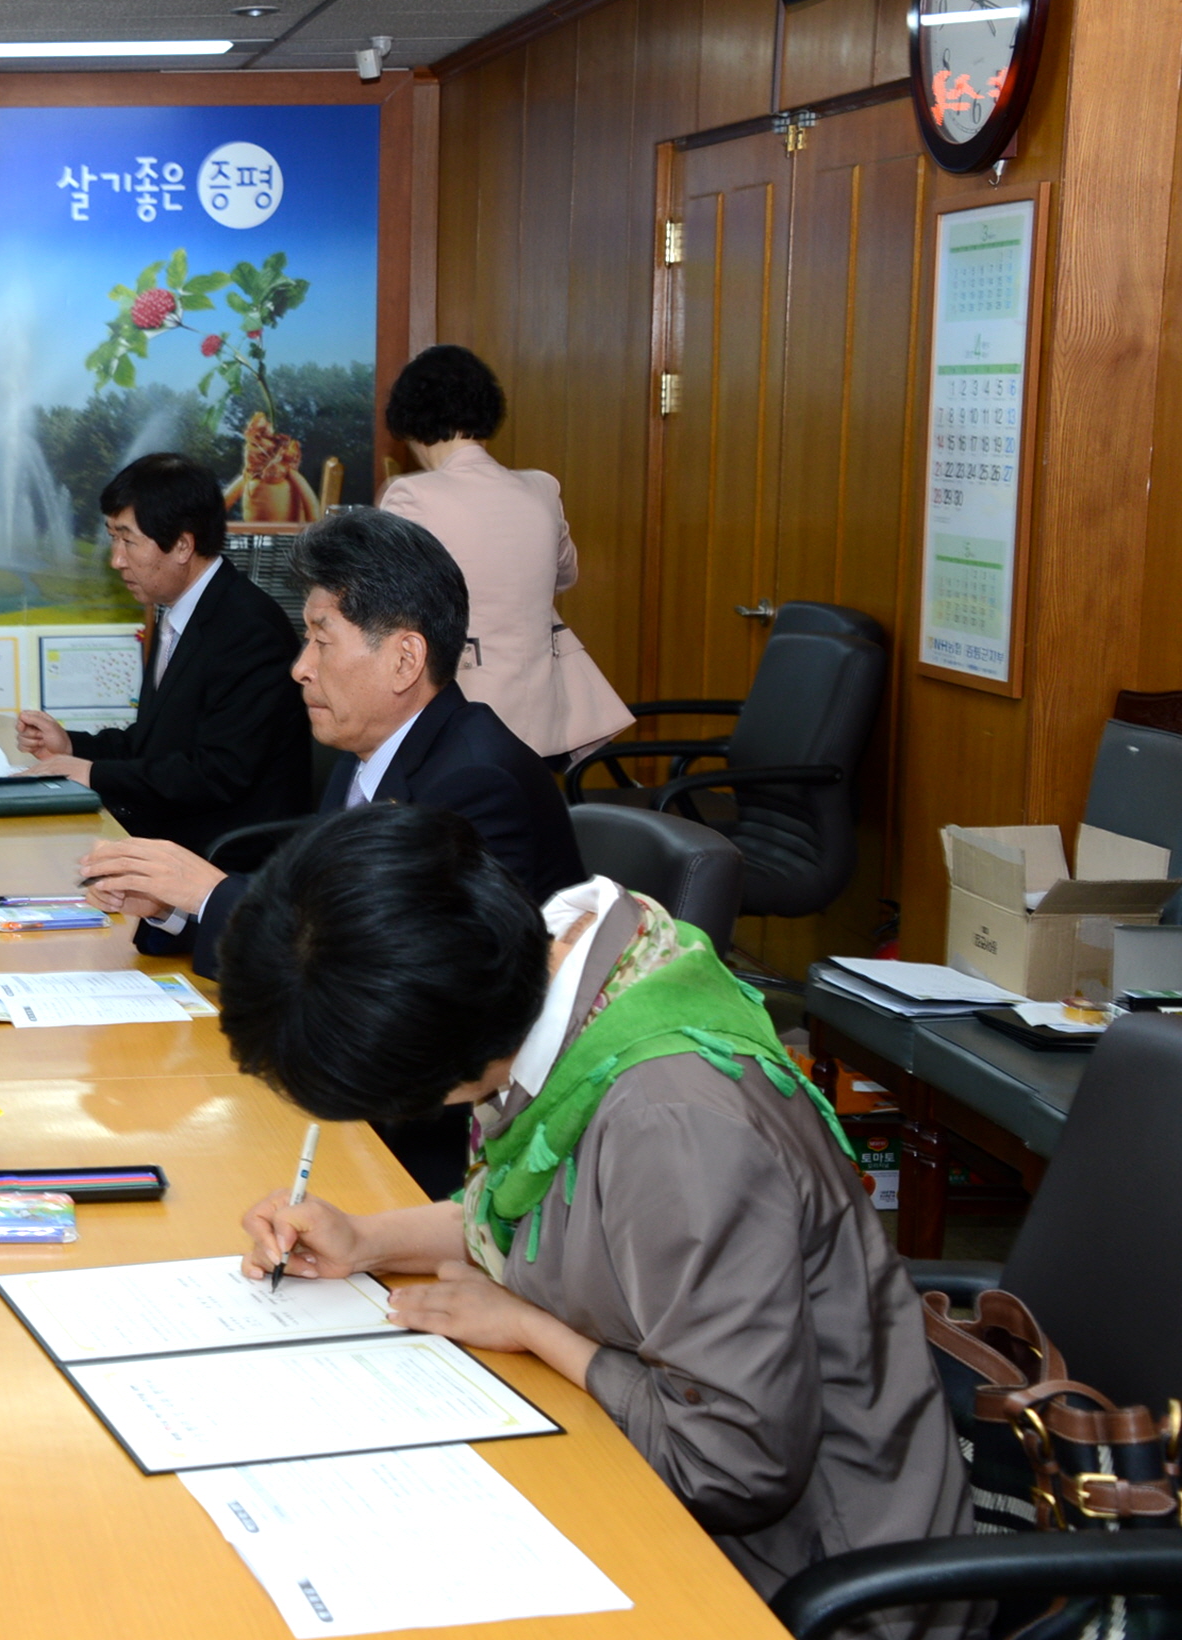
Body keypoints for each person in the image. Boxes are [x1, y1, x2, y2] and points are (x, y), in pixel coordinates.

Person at [224, 803, 975, 1636]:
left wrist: (527, 1327)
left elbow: (731, 1464)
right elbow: (558, 1212)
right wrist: (368, 1240)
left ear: (441, 1076)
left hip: (808, 1570)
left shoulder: (672, 1127)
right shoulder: (570, 972)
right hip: (678, 1477)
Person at [79, 506, 582, 981]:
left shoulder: (476, 782)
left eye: (322, 641)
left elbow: (410, 964)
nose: (301, 668)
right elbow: (312, 912)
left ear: (405, 660)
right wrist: (174, 906)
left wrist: (211, 893)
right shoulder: (368, 752)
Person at [13, 453, 309, 858]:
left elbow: (218, 773)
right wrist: (71, 746)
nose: (116, 560)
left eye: (128, 540)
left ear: (183, 545)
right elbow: (156, 744)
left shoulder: (248, 629)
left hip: (223, 857)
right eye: (113, 538)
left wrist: (94, 774)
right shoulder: (181, 612)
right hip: (171, 835)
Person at [378, 345, 631, 763]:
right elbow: (565, 575)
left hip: (459, 715)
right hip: (547, 718)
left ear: (410, 421)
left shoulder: (411, 495)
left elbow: (385, 601)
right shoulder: (541, 487)